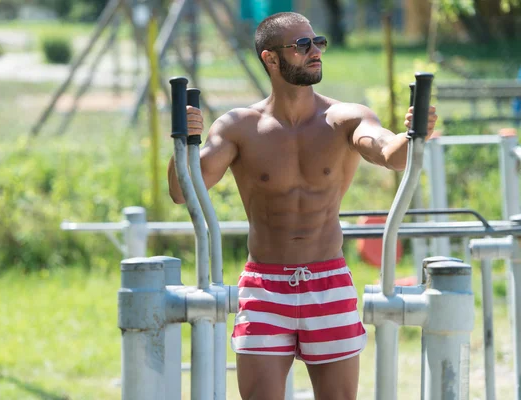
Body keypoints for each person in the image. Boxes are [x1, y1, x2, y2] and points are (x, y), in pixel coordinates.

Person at [167, 11, 437, 400]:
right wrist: (182, 141)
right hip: (264, 286)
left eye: (318, 42)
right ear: (270, 59)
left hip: (328, 282)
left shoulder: (345, 118)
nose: (316, 52)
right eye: (302, 45)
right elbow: (183, 191)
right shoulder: (239, 126)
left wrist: (415, 135)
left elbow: (390, 153)